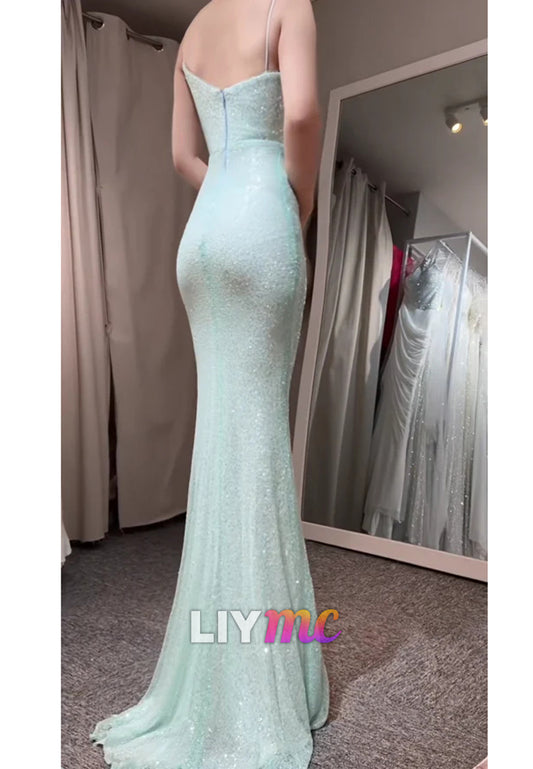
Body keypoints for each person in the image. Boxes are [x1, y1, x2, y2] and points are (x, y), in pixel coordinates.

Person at [90, 1, 329, 766]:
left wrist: (229, 181)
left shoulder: (193, 30)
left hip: (203, 234)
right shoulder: (288, 3)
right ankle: (257, 677)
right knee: (258, 446)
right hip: (261, 221)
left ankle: (226, 650)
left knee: (224, 440)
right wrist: (294, 203)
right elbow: (301, 114)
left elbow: (181, 156)